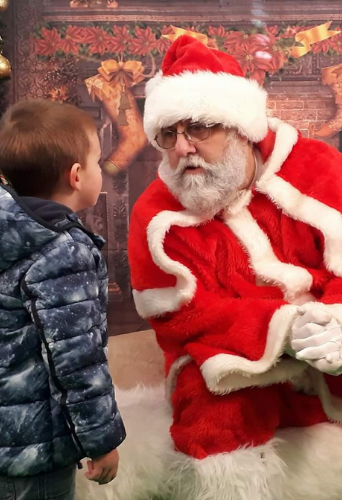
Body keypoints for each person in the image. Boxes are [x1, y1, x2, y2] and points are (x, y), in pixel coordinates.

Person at [128, 34, 342, 500]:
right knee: (210, 410)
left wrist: (335, 319)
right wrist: (284, 327)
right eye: (170, 134)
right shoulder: (155, 215)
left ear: (240, 127)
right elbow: (181, 318)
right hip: (233, 362)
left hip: (333, 348)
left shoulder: (317, 167)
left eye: (200, 127)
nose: (183, 147)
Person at [0, 99, 126, 500]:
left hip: (7, 423)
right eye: (98, 162)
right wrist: (101, 440)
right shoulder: (62, 252)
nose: (101, 170)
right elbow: (77, 359)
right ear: (75, 176)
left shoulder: (8, 234)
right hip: (39, 435)